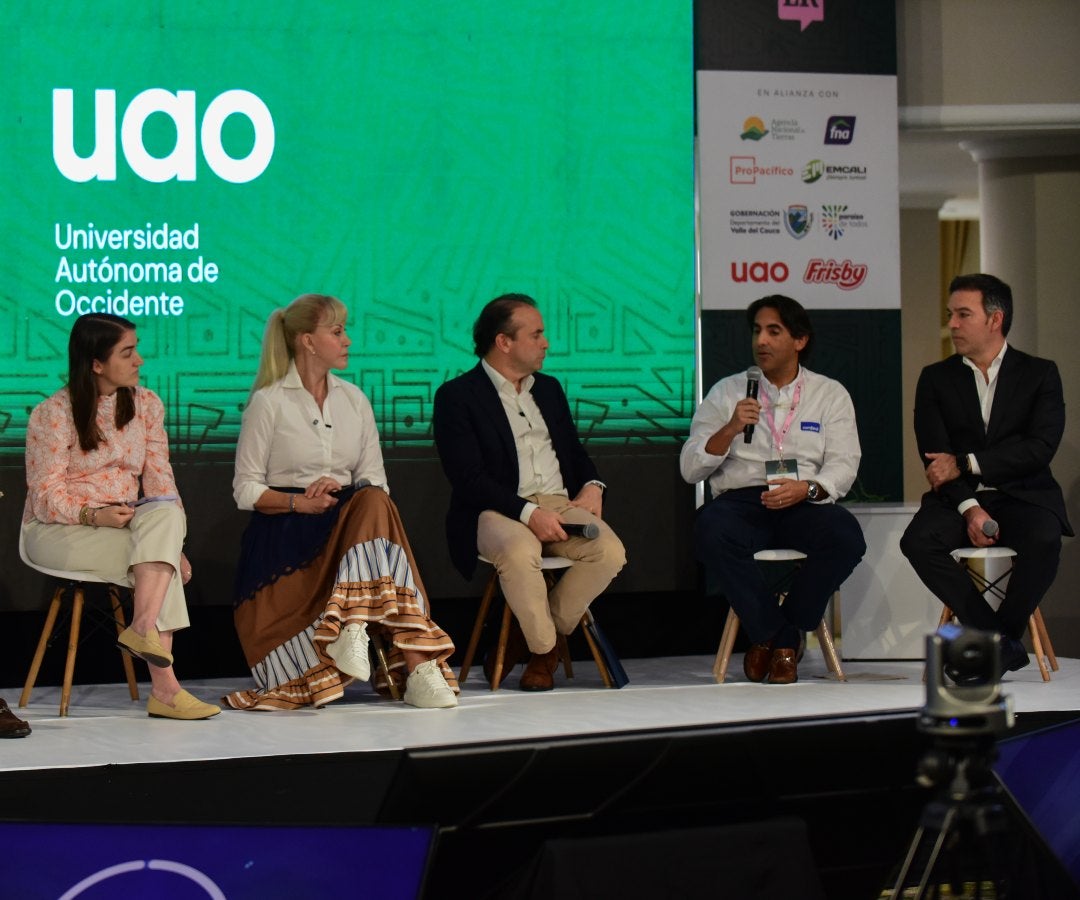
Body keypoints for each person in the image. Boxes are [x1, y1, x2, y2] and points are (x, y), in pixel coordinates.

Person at [226, 293, 458, 711]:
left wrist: (338, 486)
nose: (348, 340)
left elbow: (377, 481)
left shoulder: (354, 400)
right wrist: (301, 503)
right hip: (287, 539)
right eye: (337, 332)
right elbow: (246, 490)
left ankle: (352, 623)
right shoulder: (269, 402)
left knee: (372, 499)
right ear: (307, 341)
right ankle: (418, 666)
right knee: (372, 507)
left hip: (347, 524)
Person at [22, 313, 220, 720]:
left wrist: (175, 543)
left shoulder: (146, 405)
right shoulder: (53, 413)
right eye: (127, 352)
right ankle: (165, 690)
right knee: (156, 566)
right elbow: (44, 497)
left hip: (129, 523)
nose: (139, 360)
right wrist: (94, 515)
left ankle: (143, 626)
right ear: (96, 364)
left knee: (164, 514)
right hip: (60, 528)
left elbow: (162, 483)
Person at [433, 293, 626, 692]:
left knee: (609, 551)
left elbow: (572, 451)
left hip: (558, 503)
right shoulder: (458, 396)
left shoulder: (549, 389)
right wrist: (527, 514)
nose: (546, 343)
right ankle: (543, 651)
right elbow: (468, 477)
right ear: (504, 342)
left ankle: (533, 642)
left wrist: (593, 485)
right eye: (536, 334)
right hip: (495, 509)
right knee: (521, 551)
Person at [680, 295, 865, 684]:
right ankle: (778, 636)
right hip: (743, 501)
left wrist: (809, 489)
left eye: (773, 331)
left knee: (845, 536)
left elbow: (844, 465)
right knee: (709, 531)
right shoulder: (728, 392)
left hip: (804, 500)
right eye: (757, 331)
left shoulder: (830, 394)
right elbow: (690, 468)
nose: (761, 341)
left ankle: (787, 627)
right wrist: (729, 429)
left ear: (800, 340)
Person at [900, 273, 1072, 680]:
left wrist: (968, 461)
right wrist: (970, 508)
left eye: (963, 314)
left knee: (1045, 539)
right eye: (951, 315)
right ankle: (997, 641)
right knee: (918, 542)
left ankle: (995, 640)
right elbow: (937, 462)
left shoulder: (1040, 374)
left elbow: (1038, 450)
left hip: (1024, 495)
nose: (953, 324)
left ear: (995, 319)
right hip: (958, 498)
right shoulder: (935, 379)